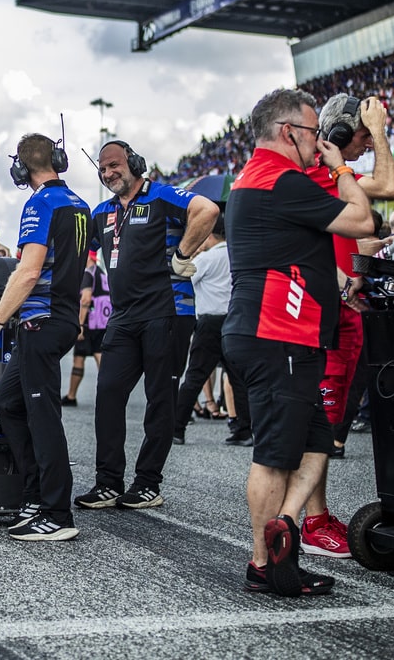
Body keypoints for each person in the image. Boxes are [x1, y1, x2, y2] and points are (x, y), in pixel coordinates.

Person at [222, 88, 373, 597]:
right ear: (290, 132)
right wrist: (345, 170)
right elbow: (362, 220)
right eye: (313, 133)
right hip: (277, 334)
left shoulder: (253, 175)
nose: (319, 143)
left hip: (274, 332)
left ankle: (285, 529)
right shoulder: (282, 179)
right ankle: (264, 566)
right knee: (272, 455)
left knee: (317, 439)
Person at [75, 139, 218, 511]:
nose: (108, 174)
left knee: (160, 400)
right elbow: (84, 256)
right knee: (107, 395)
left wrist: (182, 254)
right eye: (103, 169)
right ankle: (107, 483)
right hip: (122, 316)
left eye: (114, 165)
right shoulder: (102, 211)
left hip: (168, 312)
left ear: (134, 163)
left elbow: (207, 210)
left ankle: (148, 483)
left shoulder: (161, 196)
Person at [296, 93, 394, 559]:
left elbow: (349, 237)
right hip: (326, 319)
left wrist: (351, 273)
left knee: (325, 421)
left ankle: (313, 516)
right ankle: (309, 521)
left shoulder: (331, 174)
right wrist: (379, 131)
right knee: (320, 423)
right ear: (339, 134)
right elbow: (391, 186)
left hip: (342, 312)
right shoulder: (324, 171)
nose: (362, 145)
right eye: (359, 136)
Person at [0, 133, 89, 541]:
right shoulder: (80, 204)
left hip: (42, 321)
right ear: (58, 159)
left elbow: (28, 271)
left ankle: (57, 514)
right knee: (8, 401)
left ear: (21, 170)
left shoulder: (39, 203)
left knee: (44, 417)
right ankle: (36, 496)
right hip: (59, 319)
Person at [172, 218, 239, 445]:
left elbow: (184, 276)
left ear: (210, 235)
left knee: (195, 376)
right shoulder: (237, 254)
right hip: (233, 321)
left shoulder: (207, 258)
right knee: (238, 378)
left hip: (209, 322)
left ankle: (177, 427)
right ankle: (243, 429)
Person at [65, 251, 109, 406]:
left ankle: (71, 396)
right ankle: (110, 394)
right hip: (103, 320)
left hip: (89, 321)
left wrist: (80, 324)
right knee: (100, 355)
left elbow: (85, 298)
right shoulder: (101, 272)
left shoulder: (88, 273)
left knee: (79, 357)